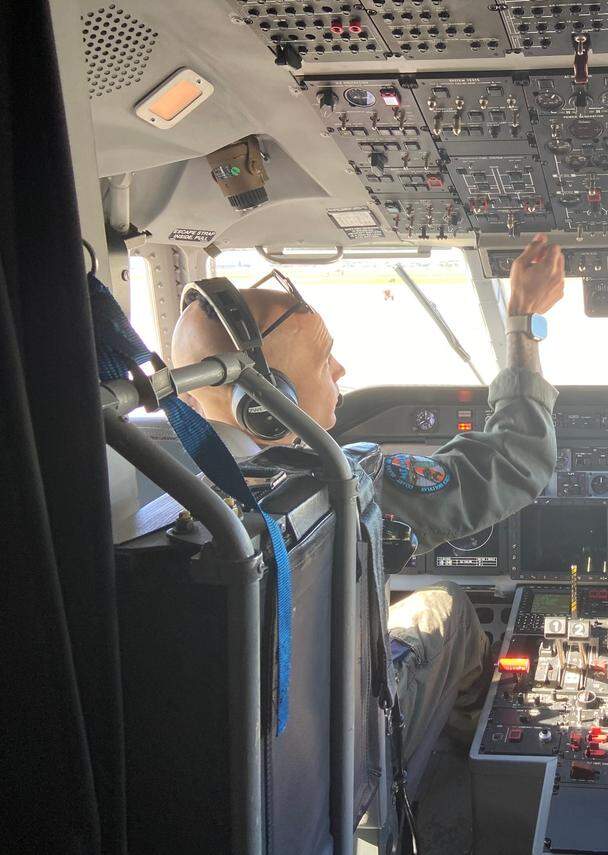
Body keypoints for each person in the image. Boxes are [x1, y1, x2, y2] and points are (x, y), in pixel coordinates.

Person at [170, 234, 566, 756]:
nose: (340, 372)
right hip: (351, 738)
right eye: (324, 360)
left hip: (241, 752)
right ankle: (463, 735)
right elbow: (516, 459)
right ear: (266, 404)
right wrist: (522, 323)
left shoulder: (166, 500)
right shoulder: (343, 487)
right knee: (446, 605)